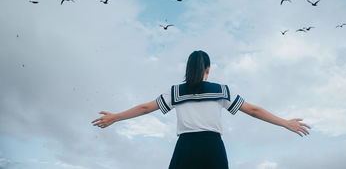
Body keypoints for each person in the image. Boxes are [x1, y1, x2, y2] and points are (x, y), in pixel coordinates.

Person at [91, 50, 311, 169]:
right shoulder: (220, 90)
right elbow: (253, 110)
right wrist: (285, 122)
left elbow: (145, 107)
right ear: (208, 69)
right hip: (212, 147)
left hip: (186, 148)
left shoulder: (177, 92)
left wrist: (115, 117)